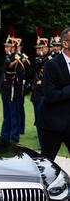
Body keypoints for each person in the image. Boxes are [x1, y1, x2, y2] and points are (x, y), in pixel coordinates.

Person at [37, 27, 70, 160]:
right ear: (66, 43)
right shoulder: (52, 64)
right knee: (46, 164)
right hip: (53, 123)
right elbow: (50, 95)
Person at [0, 33, 25, 144]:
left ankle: (14, 138)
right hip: (6, 90)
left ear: (13, 48)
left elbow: (22, 74)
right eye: (6, 46)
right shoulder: (8, 58)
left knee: (13, 115)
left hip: (13, 91)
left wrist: (16, 80)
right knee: (6, 115)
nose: (6, 48)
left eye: (8, 46)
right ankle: (5, 135)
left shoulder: (17, 59)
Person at [31, 27, 52, 150]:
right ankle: (41, 141)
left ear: (47, 48)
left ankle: (46, 142)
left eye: (41, 48)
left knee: (46, 120)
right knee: (38, 120)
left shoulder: (51, 60)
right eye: (38, 48)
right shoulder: (38, 60)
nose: (39, 50)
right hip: (37, 94)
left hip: (46, 94)